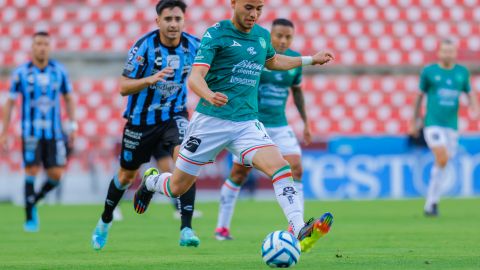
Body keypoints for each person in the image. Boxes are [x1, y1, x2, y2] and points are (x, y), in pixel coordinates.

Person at [134, 0, 334, 252]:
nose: (254, 14)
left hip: (246, 123)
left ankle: (297, 227)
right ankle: (151, 181)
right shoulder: (216, 33)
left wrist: (310, 60)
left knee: (281, 166)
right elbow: (195, 77)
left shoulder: (262, 36)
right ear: (234, 4)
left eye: (259, 9)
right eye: (249, 7)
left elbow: (272, 62)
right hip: (210, 121)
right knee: (177, 187)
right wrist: (208, 95)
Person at [91, 0, 201, 250]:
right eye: (168, 19)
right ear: (158, 21)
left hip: (174, 116)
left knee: (186, 160)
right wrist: (150, 79)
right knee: (126, 176)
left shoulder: (194, 46)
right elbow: (122, 87)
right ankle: (105, 220)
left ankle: (186, 228)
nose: (173, 24)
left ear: (184, 20)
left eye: (177, 19)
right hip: (140, 122)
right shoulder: (144, 47)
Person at [214, 18, 311, 240]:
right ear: (270, 36)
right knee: (238, 174)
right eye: (279, 36)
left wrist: (306, 123)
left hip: (280, 124)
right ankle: (222, 227)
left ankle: (298, 228)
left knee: (296, 168)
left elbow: (297, 92)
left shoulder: (294, 61)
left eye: (288, 37)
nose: (284, 40)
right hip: (252, 124)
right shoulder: (257, 55)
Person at [0, 31, 77, 232]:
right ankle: (29, 218)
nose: (42, 47)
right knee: (32, 170)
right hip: (30, 132)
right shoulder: (21, 73)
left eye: (45, 44)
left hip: (54, 133)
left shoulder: (58, 71)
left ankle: (34, 199)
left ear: (50, 47)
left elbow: (69, 98)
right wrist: (5, 131)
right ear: (32, 47)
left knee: (56, 175)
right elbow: (10, 102)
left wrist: (72, 124)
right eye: (38, 43)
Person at [410, 39, 479, 216]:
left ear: (455, 53)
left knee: (443, 163)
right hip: (432, 124)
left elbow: (469, 92)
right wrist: (413, 121)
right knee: (441, 158)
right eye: (445, 51)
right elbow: (419, 96)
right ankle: (432, 202)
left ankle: (431, 203)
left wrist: (474, 106)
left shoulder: (461, 72)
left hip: (451, 127)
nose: (448, 54)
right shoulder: (430, 72)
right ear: (439, 53)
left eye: (451, 51)